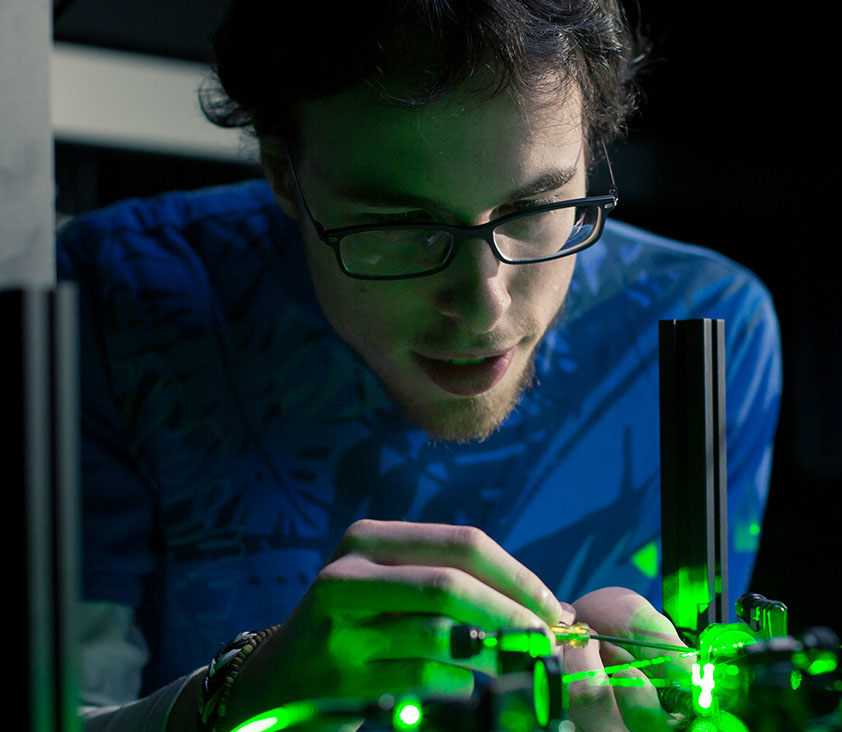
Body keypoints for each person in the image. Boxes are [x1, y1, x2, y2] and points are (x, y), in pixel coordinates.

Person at [59, 1, 782, 730]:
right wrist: (244, 696)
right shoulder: (115, 301)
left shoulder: (705, 325)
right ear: (286, 175)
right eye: (402, 226)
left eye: (532, 209)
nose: (483, 307)